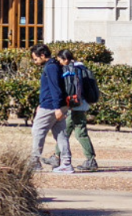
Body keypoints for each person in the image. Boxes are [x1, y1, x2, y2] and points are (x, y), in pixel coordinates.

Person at [29, 43, 72, 173]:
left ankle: (35, 162)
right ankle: (66, 163)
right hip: (55, 105)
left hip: (51, 106)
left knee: (37, 131)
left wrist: (57, 107)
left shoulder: (51, 67)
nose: (35, 62)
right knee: (61, 135)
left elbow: (55, 88)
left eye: (35, 58)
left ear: (42, 55)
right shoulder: (54, 65)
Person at [56, 47, 100, 171]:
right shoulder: (82, 68)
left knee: (79, 131)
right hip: (82, 103)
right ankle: (56, 155)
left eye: (60, 60)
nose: (59, 63)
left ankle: (91, 160)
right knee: (66, 129)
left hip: (75, 105)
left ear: (65, 59)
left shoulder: (71, 69)